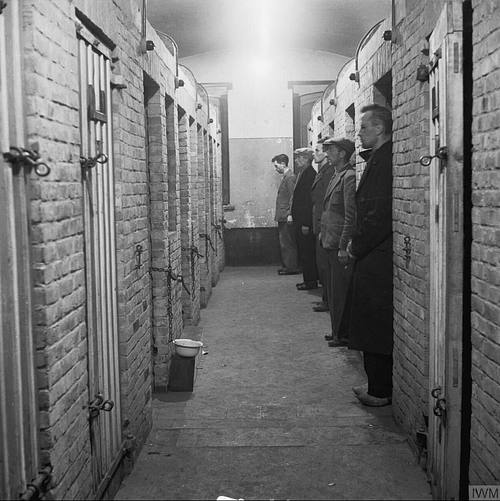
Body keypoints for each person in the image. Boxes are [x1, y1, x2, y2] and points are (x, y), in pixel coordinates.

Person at [343, 104, 393, 407]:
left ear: (378, 128)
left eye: (363, 127)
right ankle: (376, 383)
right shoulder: (378, 158)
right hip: (373, 252)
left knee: (374, 322)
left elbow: (378, 213)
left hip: (376, 254)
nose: (358, 133)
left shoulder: (385, 160)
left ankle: (380, 389)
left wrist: (356, 245)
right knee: (369, 321)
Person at [320, 137, 356, 347]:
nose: (327, 154)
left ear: (342, 153)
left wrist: (344, 245)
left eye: (331, 150)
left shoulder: (348, 177)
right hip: (329, 241)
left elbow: (350, 215)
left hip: (338, 244)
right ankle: (336, 330)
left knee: (340, 292)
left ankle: (342, 334)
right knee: (334, 292)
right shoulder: (337, 176)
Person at [288, 148, 320, 290]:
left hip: (304, 222)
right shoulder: (303, 173)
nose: (295, 160)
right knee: (304, 251)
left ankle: (311, 281)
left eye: (298, 158)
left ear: (306, 159)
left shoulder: (310, 175)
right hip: (300, 221)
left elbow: (308, 201)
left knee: (307, 252)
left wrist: (306, 223)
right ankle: (308, 279)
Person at [311, 138, 335, 311]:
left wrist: (321, 227)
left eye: (318, 150)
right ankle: (326, 298)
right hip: (318, 224)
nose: (315, 154)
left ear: (326, 153)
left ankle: (328, 300)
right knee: (322, 265)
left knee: (325, 267)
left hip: (323, 226)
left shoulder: (328, 173)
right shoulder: (322, 171)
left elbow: (327, 202)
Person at [272, 154, 299, 275]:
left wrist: (290, 214)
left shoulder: (289, 178)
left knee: (287, 242)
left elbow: (293, 197)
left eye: (277, 165)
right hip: (283, 215)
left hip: (286, 215)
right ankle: (288, 266)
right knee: (285, 242)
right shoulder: (287, 177)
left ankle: (291, 267)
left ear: (283, 164)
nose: (276, 168)